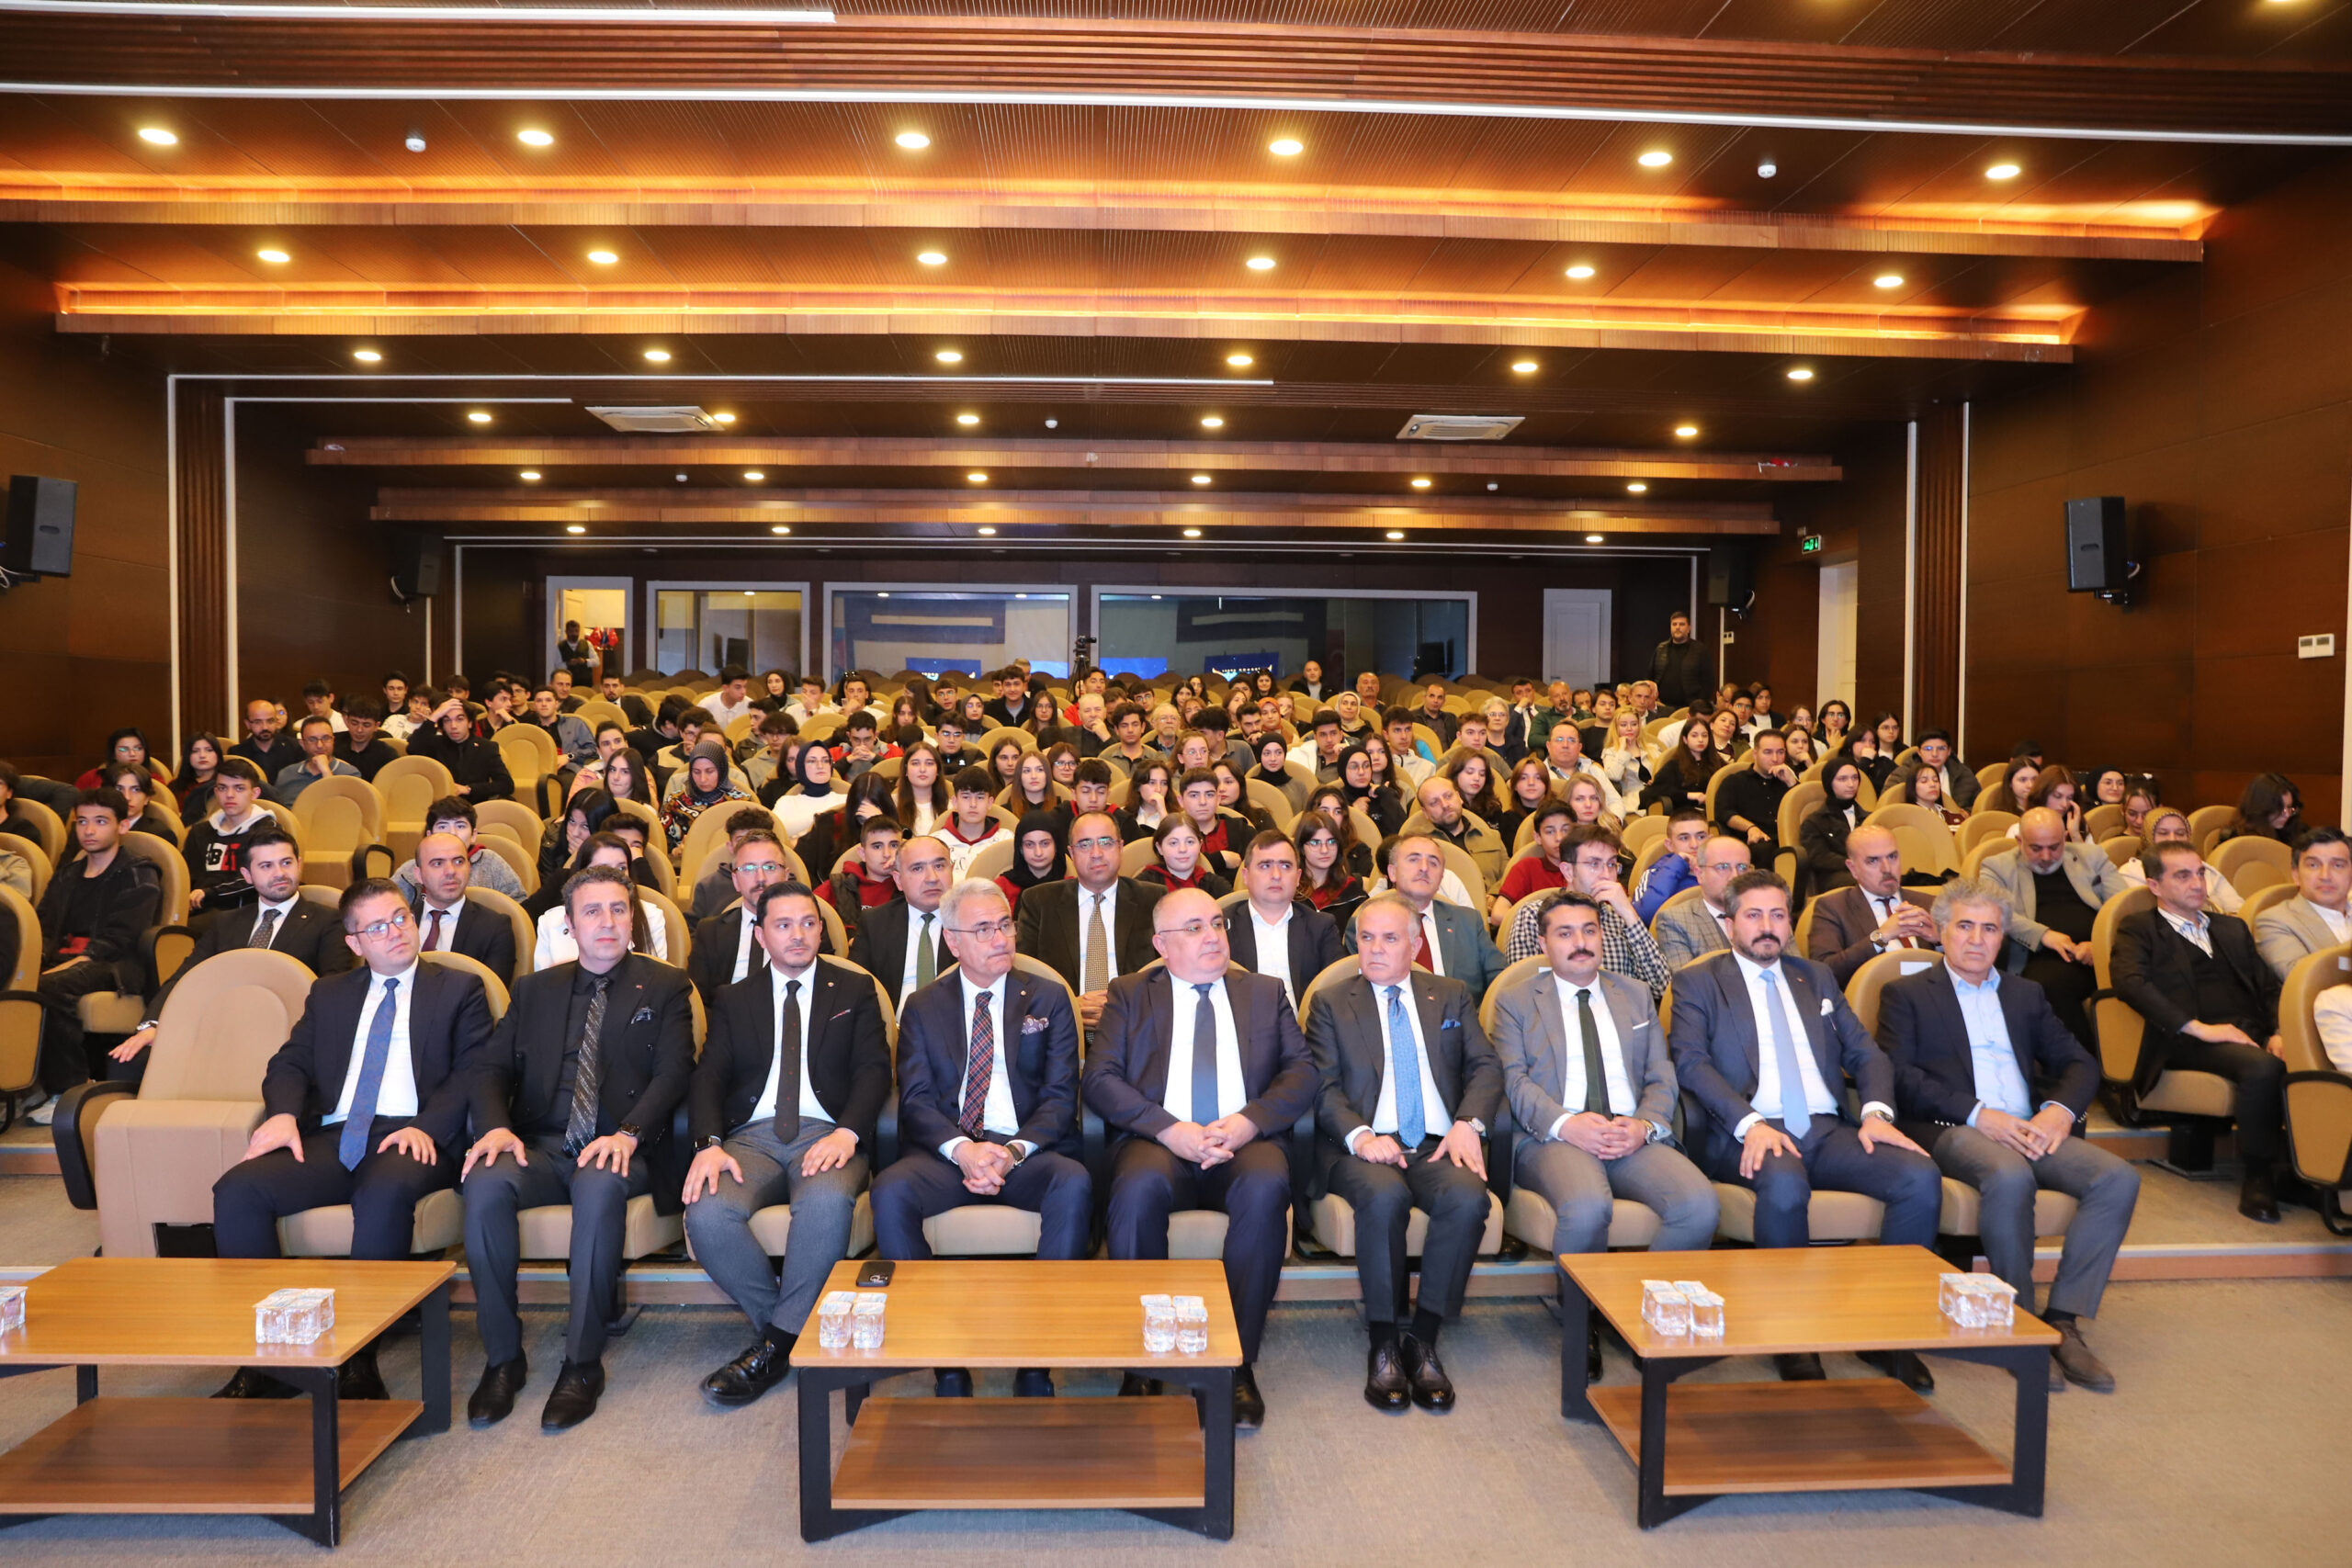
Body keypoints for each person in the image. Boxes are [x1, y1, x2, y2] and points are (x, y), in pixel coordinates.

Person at [210, 879, 494, 1400]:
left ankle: (359, 1361)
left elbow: (475, 1071)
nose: (395, 932)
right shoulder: (330, 993)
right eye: (377, 927)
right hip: (337, 1134)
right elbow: (290, 1063)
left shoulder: (458, 989)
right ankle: (269, 1360)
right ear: (354, 942)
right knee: (238, 1189)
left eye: (401, 918)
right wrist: (283, 1116)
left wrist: (427, 1127)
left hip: (412, 1134)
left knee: (382, 1192)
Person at [1669, 870, 1940, 1385]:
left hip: (1827, 1129)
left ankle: (1889, 1334)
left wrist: (1876, 1113)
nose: (1767, 926)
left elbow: (1865, 1053)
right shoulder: (1698, 981)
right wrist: (1749, 1123)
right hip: (1750, 1130)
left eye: (1777, 915)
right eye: (1753, 915)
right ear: (1730, 923)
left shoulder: (1813, 977)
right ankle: (1792, 1335)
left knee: (1918, 1177)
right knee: (1785, 1184)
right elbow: (1691, 1063)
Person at [458, 863, 695, 1429]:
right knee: (485, 1183)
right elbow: (489, 1069)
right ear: (569, 924)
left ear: (632, 920)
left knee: (597, 1186)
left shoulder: (667, 986)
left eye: (618, 909)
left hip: (623, 1146)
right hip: (541, 1145)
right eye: (592, 911)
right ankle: (503, 1358)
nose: (607, 921)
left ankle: (583, 1362)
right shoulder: (534, 990)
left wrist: (628, 1133)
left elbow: (674, 1073)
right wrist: (494, 1127)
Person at [1879, 878, 2137, 1393]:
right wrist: (1979, 1114)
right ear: (1941, 932)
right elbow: (1901, 1076)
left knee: (2117, 1178)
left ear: (2004, 937)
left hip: (2028, 1127)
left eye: (1990, 929)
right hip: (1954, 1127)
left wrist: (2058, 1112)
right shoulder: (1906, 994)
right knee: (2009, 1173)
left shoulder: (2025, 994)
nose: (1977, 939)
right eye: (1965, 926)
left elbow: (2079, 1062)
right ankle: (2018, 1323)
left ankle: (2062, 1321)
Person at [1083, 888, 1316, 1430]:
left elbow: (1302, 1072)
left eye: (1216, 923)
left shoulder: (1264, 991)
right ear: (1161, 945)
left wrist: (1249, 1121)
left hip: (1244, 1142)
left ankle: (1236, 1361)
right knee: (1136, 1189)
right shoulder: (1130, 993)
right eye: (1194, 928)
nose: (1212, 936)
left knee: (1266, 1187)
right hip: (1161, 1142)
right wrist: (1169, 1129)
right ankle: (1143, 1360)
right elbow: (1099, 1078)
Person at [871, 879, 1091, 1397]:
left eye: (1005, 925)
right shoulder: (923, 1005)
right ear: (952, 941)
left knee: (1073, 1182)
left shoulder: (1048, 997)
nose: (1000, 938)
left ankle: (1037, 1360)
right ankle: (943, 1360)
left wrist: (1012, 1152)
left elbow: (1061, 1095)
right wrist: (964, 1150)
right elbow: (916, 1099)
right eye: (984, 929)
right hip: (951, 1152)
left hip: (1026, 1150)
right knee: (891, 1190)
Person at [684, 882, 893, 1409]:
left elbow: (873, 1070)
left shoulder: (854, 990)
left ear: (822, 930)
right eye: (783, 925)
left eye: (808, 923)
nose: (797, 934)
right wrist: (709, 1144)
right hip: (750, 1139)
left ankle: (772, 1348)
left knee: (825, 1200)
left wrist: (848, 1132)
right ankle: (786, 1332)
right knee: (707, 1212)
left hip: (828, 1133)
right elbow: (709, 1075)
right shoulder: (734, 998)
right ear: (760, 936)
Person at [1488, 892, 1718, 1340]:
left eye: (1589, 930)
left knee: (1699, 1205)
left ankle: (1637, 1312)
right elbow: (1513, 1081)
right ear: (1543, 943)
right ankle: (1581, 1327)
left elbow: (1660, 1074)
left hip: (1630, 1132)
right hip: (1555, 1136)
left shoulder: (1634, 994)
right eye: (1565, 933)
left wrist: (1645, 1125)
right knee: (1588, 1207)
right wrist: (1566, 1124)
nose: (1580, 942)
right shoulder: (1516, 1000)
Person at [1306, 893, 1499, 1413]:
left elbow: (1485, 1066)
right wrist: (1362, 1136)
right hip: (1363, 1146)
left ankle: (1424, 1338)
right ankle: (1384, 1340)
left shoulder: (1451, 995)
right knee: (1384, 1197)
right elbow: (1322, 1086)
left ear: (1415, 946)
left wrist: (1468, 1124)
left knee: (1468, 1198)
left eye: (1389, 939)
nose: (1374, 949)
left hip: (1436, 1144)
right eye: (1366, 938)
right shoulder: (1331, 1002)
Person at [2112, 841, 2288, 1222]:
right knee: (2262, 1068)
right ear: (2154, 885)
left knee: (2309, 1058)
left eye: (2200, 873)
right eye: (2182, 875)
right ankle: (2259, 1176)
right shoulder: (2140, 928)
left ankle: (2303, 1170)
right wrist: (2200, 1029)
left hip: (2248, 1030)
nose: (2197, 883)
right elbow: (2130, 984)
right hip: (2185, 1037)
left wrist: (2279, 1031)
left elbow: (2269, 987)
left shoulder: (2231, 927)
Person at [117, 823, 353, 1079]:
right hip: (219, 1028)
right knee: (129, 1060)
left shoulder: (329, 921)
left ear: (299, 864)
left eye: (286, 863)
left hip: (285, 1032)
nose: (279, 873)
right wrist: (152, 1025)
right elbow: (185, 977)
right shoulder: (226, 922)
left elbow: (334, 989)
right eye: (266, 866)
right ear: (247, 875)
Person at [28, 791, 161, 1111]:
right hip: (63, 958)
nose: (89, 830)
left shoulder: (138, 872)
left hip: (113, 965)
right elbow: (43, 926)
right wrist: (33, 962)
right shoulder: (67, 875)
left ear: (122, 826)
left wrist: (69, 964)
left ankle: (69, 1089)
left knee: (50, 986)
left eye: (100, 822)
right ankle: (23, 1083)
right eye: (82, 822)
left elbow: (121, 938)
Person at [1979, 807, 2128, 1045]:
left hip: (2099, 954)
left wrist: (2099, 945)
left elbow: (2122, 907)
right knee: (2048, 986)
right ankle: (2083, 1060)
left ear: (2065, 839)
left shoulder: (2092, 857)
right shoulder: (1997, 867)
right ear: (2019, 841)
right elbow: (1992, 912)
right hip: (2042, 958)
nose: (2047, 856)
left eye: (2054, 847)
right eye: (2036, 848)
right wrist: (2043, 935)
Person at [1499, 825, 1671, 1001]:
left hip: (1620, 1014)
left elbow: (1662, 988)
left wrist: (1629, 914)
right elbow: (1522, 994)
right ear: (1568, 871)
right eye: (1594, 864)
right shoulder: (1533, 916)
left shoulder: (1621, 918)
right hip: (1557, 1014)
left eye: (1611, 864)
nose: (1606, 875)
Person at [1347, 835, 1507, 1001]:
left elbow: (1502, 981)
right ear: (1392, 872)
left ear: (1441, 878)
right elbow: (1358, 996)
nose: (1424, 868)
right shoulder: (1365, 926)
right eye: (1413, 860)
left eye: (1433, 863)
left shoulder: (1467, 921)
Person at [1805, 825, 1939, 985]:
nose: (1887, 868)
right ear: (1853, 869)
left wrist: (1940, 941)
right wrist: (1881, 937)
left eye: (1892, 857)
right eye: (1873, 861)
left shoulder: (1930, 903)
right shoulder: (1833, 907)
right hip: (1872, 996)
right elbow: (1823, 971)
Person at [1223, 829, 1342, 1008]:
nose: (1276, 875)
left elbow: (1337, 991)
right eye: (1265, 866)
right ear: (1246, 876)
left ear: (1298, 877)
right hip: (1242, 1023)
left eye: (1285, 866)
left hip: (1305, 1023)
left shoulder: (1321, 926)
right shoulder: (1222, 927)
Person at [685, 828, 794, 1002]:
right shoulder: (710, 932)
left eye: (770, 867)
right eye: (749, 868)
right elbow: (698, 1002)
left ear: (786, 876)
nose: (760, 878)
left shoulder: (808, 928)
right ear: (735, 880)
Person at [849, 834, 954, 1010]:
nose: (932, 878)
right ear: (898, 880)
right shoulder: (875, 923)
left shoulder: (973, 921)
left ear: (951, 870)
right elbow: (855, 990)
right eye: (917, 869)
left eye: (939, 866)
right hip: (892, 1023)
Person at [409, 829, 519, 986]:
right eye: (438, 863)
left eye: (459, 862)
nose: (450, 871)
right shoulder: (399, 923)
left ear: (469, 868)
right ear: (419, 874)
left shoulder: (494, 927)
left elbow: (493, 994)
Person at [180, 756, 273, 922]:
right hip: (202, 910)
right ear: (216, 792)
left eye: (239, 788)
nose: (229, 795)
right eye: (222, 788)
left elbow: (259, 879)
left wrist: (210, 893)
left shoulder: (267, 831)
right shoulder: (200, 832)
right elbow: (187, 877)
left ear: (255, 793)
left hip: (248, 912)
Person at [2254, 827, 2352, 977]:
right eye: (2313, 865)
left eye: (2337, 865)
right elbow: (2301, 978)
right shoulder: (2274, 921)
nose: (2325, 876)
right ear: (2296, 875)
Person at [2115, 806, 2245, 915]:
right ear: (2148, 838)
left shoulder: (2203, 868)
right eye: (2163, 833)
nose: (2173, 839)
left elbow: (2238, 910)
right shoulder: (2132, 872)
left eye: (2180, 833)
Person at [395, 796, 527, 904]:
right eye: (443, 826)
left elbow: (518, 906)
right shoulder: (411, 869)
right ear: (429, 835)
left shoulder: (491, 861)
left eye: (460, 826)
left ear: (473, 835)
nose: (452, 833)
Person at [1651, 834, 1750, 972]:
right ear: (1700, 874)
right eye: (1723, 867)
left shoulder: (1767, 913)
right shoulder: (1676, 921)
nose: (1735, 876)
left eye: (1742, 867)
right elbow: (1687, 982)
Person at [413, 697, 517, 803]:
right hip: (440, 805)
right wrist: (435, 716)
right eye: (447, 720)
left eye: (460, 719)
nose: (453, 726)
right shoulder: (435, 744)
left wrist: (469, 789)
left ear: (470, 723)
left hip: (474, 805)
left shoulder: (486, 747)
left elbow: (506, 785)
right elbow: (413, 749)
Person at [1715, 728, 1796, 860]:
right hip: (1752, 842)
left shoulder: (1787, 781)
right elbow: (1724, 813)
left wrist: (1792, 783)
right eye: (1768, 752)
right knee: (1764, 849)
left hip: (1787, 840)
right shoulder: (1735, 781)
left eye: (1780, 752)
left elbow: (1805, 815)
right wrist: (1750, 827)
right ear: (1755, 754)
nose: (1775, 759)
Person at [1491, 799, 1575, 925]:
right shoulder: (1527, 868)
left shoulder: (1589, 867)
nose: (1559, 838)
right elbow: (1498, 915)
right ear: (1537, 837)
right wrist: (1547, 924)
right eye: (1550, 831)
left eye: (1565, 830)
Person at [1798, 757, 1867, 894]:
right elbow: (1819, 857)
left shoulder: (1869, 818)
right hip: (1834, 877)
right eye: (1842, 779)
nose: (1851, 784)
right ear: (1829, 783)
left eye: (1854, 778)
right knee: (1867, 882)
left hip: (1867, 872)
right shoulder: (1815, 821)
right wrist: (1854, 864)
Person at [1632, 808, 1709, 926]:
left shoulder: (1726, 869)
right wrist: (1676, 865)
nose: (1694, 845)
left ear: (1710, 839)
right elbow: (1643, 918)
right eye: (1684, 838)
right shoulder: (1654, 874)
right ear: (1669, 845)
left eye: (1701, 837)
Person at [270, 714, 363, 806]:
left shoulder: (350, 774)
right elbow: (278, 810)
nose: (319, 745)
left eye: (325, 738)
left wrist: (326, 771)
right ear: (303, 744)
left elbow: (342, 809)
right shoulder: (286, 774)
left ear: (333, 741)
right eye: (312, 739)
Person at [1639, 714, 1722, 815]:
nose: (1701, 740)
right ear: (1685, 739)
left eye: (1704, 735)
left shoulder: (1717, 761)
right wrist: (1688, 795)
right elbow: (1655, 790)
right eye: (1694, 735)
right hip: (1683, 813)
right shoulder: (1674, 764)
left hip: (1713, 811)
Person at [995, 810, 1068, 913]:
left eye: (1045, 843)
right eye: (1029, 844)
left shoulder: (1071, 887)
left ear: (1056, 846)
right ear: (1020, 849)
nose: (1038, 852)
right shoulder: (1002, 887)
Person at [2221, 773, 2305, 847]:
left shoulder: (2290, 830)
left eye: (2289, 807)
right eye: (2279, 808)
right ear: (2261, 808)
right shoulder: (2235, 840)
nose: (2287, 814)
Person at [231, 697, 303, 783]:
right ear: (248, 724)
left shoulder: (295, 747)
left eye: (270, 721)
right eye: (258, 722)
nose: (265, 727)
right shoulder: (237, 753)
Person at [1647, 610, 1708, 709]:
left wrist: (1700, 704)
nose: (1677, 627)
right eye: (1674, 624)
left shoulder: (1700, 650)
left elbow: (1708, 681)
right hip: (1662, 706)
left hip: (1689, 707)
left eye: (1682, 624)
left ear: (1689, 628)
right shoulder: (1660, 649)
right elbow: (1650, 677)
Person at [524, 685, 597, 767]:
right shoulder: (533, 732)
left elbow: (593, 749)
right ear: (534, 706)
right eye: (539, 701)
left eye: (548, 700)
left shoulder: (575, 724)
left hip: (569, 768)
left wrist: (569, 756)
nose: (544, 704)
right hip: (541, 769)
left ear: (556, 704)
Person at [1912, 730, 1978, 810]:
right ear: (1919, 752)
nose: (1935, 754)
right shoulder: (1906, 773)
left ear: (1949, 751)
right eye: (1928, 749)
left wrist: (1967, 812)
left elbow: (1978, 805)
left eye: (1941, 748)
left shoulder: (1962, 773)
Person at [704, 665, 757, 730]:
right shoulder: (706, 705)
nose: (743, 692)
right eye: (738, 687)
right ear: (725, 688)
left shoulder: (750, 706)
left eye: (745, 686)